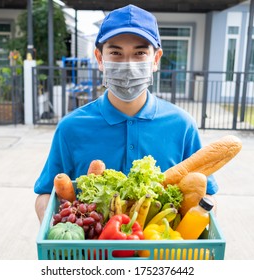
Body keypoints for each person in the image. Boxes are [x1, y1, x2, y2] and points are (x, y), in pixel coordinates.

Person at [34, 4, 218, 223]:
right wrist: (57, 231)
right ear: (100, 58)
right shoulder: (71, 128)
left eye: (140, 53)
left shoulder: (182, 125)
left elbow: (207, 196)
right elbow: (46, 193)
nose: (128, 65)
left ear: (156, 59)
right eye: (115, 53)